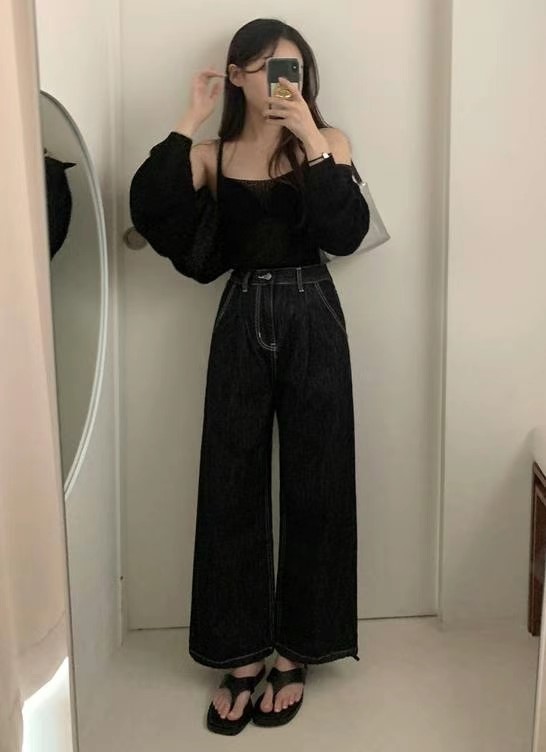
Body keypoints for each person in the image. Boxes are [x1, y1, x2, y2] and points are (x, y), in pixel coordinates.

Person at [129, 17, 370, 736]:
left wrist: (312, 139)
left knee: (318, 480)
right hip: (241, 316)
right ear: (236, 75)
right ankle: (239, 655)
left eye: (292, 70)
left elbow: (347, 231)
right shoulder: (212, 154)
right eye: (266, 69)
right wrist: (188, 118)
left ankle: (298, 650)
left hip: (313, 313)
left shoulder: (330, 142)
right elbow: (152, 206)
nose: (280, 83)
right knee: (229, 482)